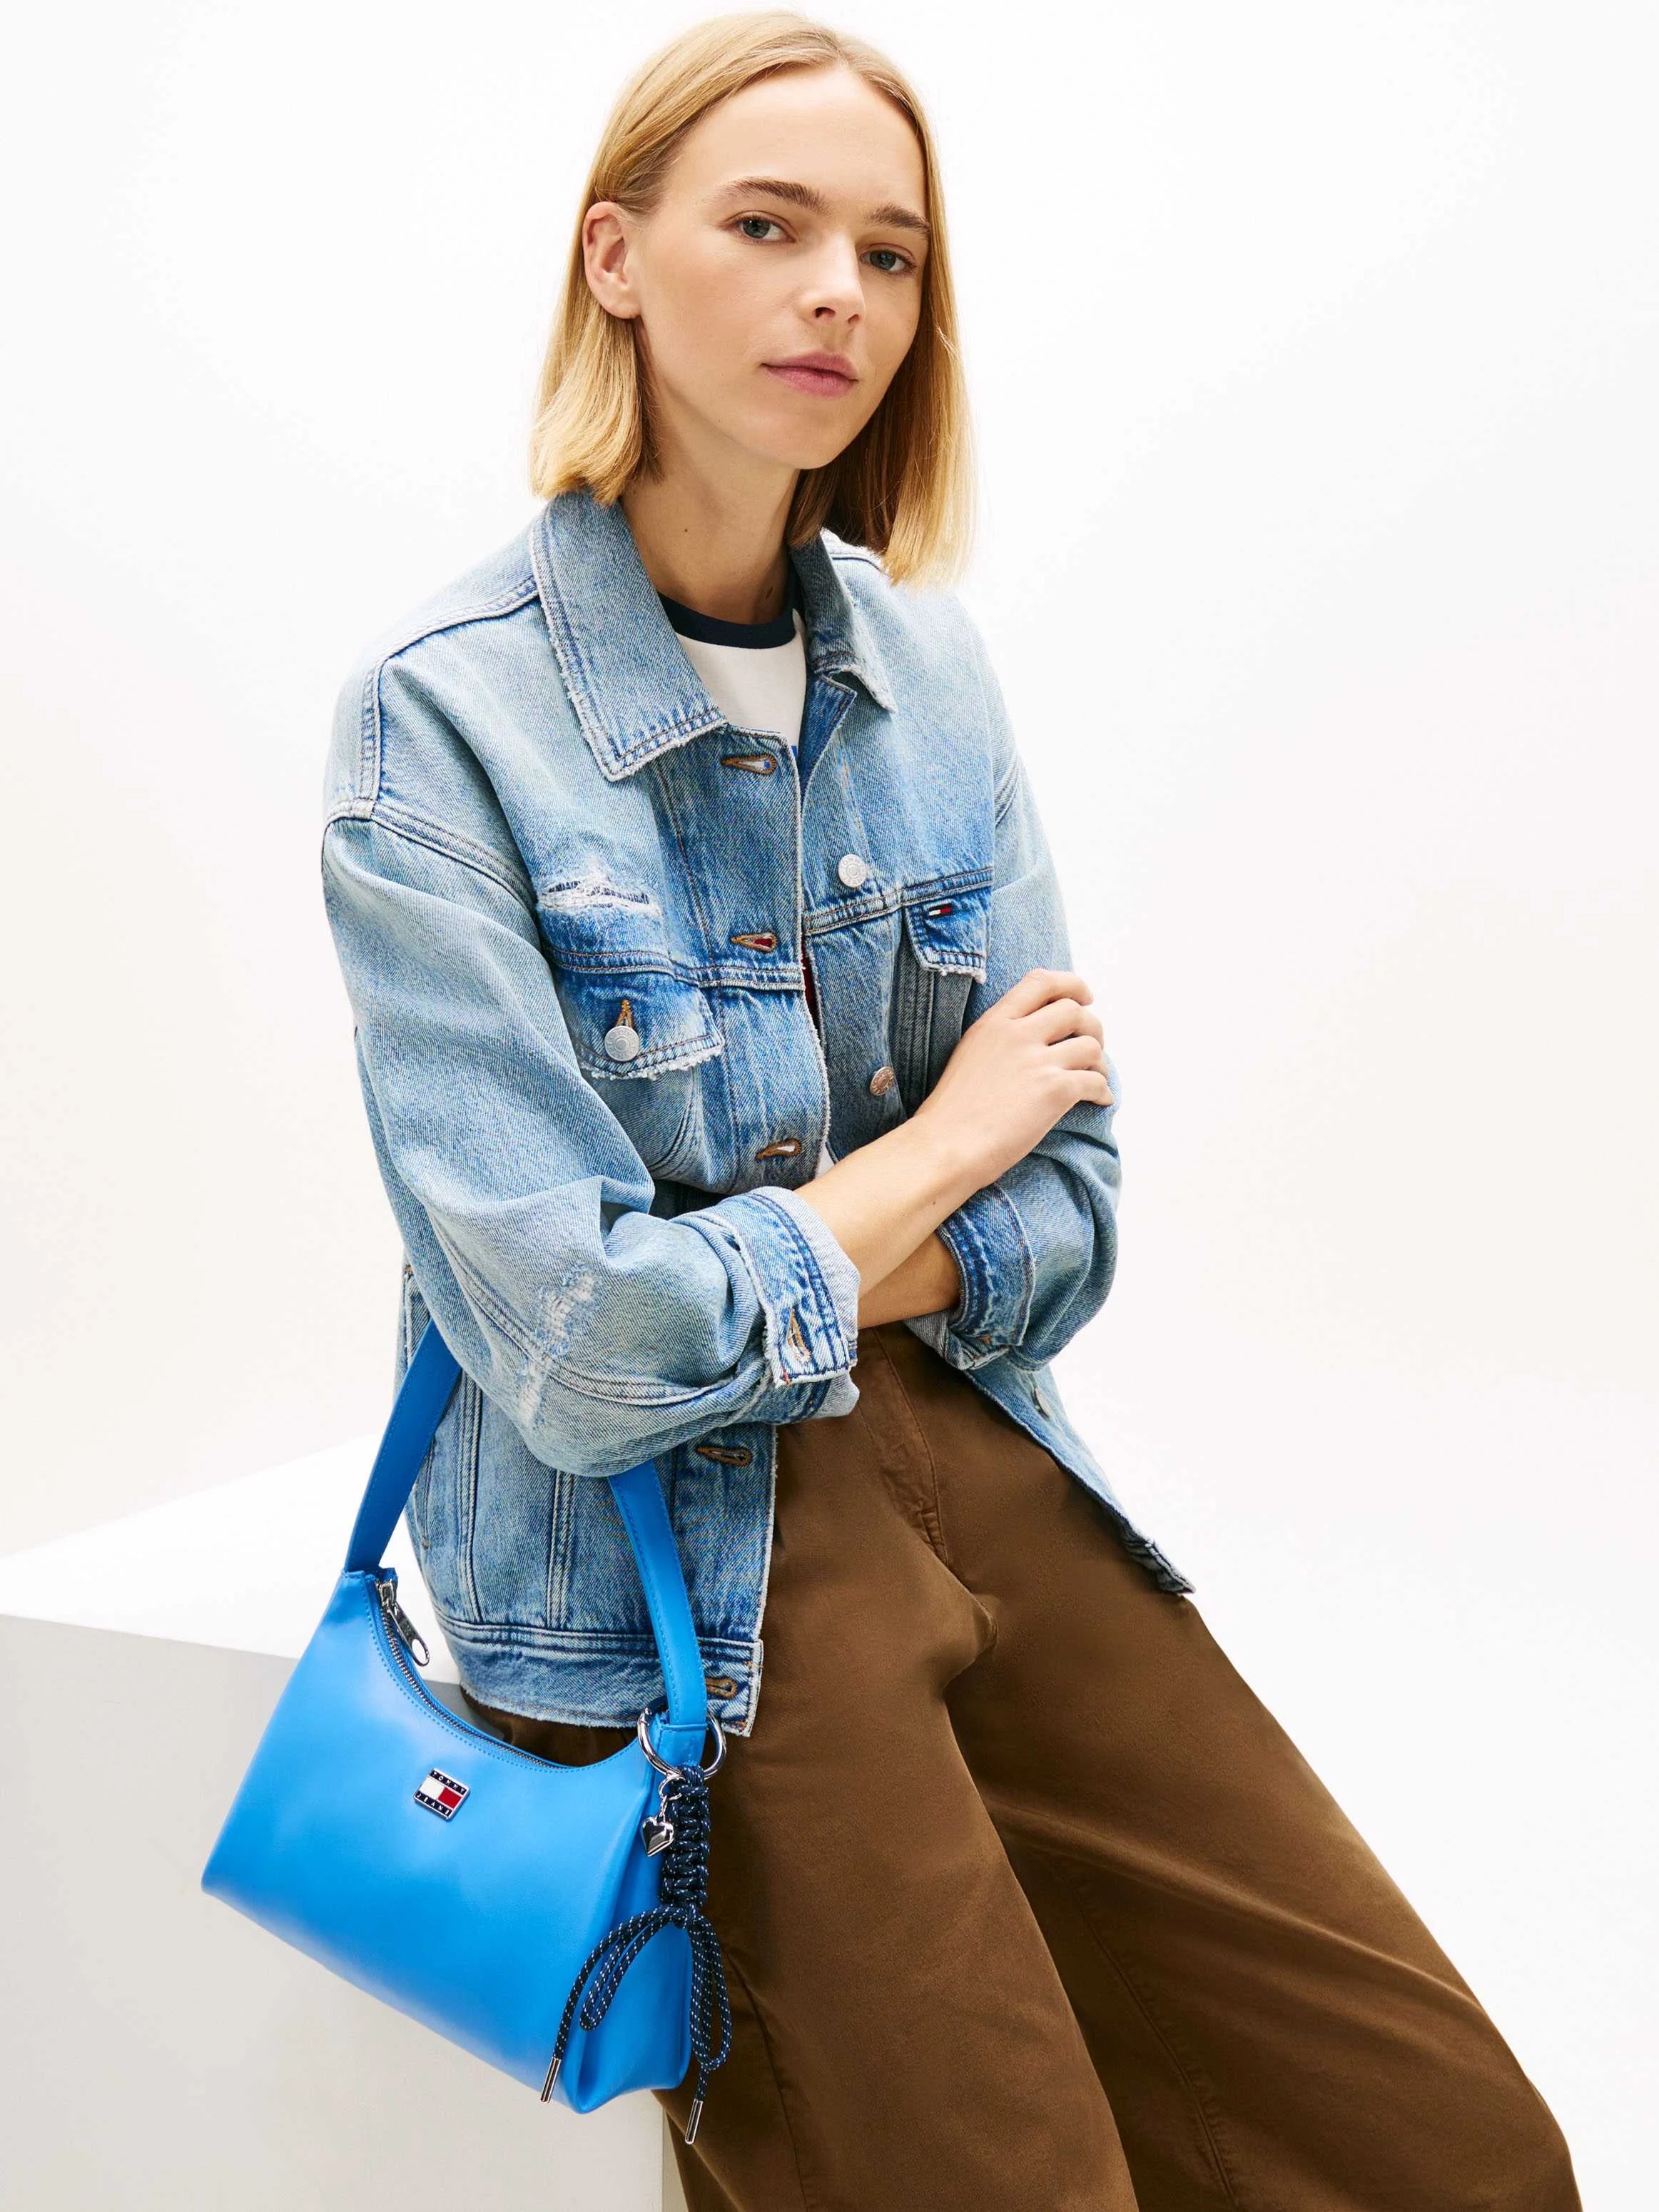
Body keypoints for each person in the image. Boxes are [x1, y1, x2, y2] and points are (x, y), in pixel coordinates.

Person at [320, 14, 1583, 2208]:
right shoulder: (443, 725)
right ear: (614, 259)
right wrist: (930, 1151)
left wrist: (825, 1245)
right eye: (767, 226)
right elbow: (581, 1348)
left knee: (1449, 2146)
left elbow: (1069, 1205)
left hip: (968, 1453)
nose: (838, 292)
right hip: (670, 1564)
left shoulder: (925, 675)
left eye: (888, 253)